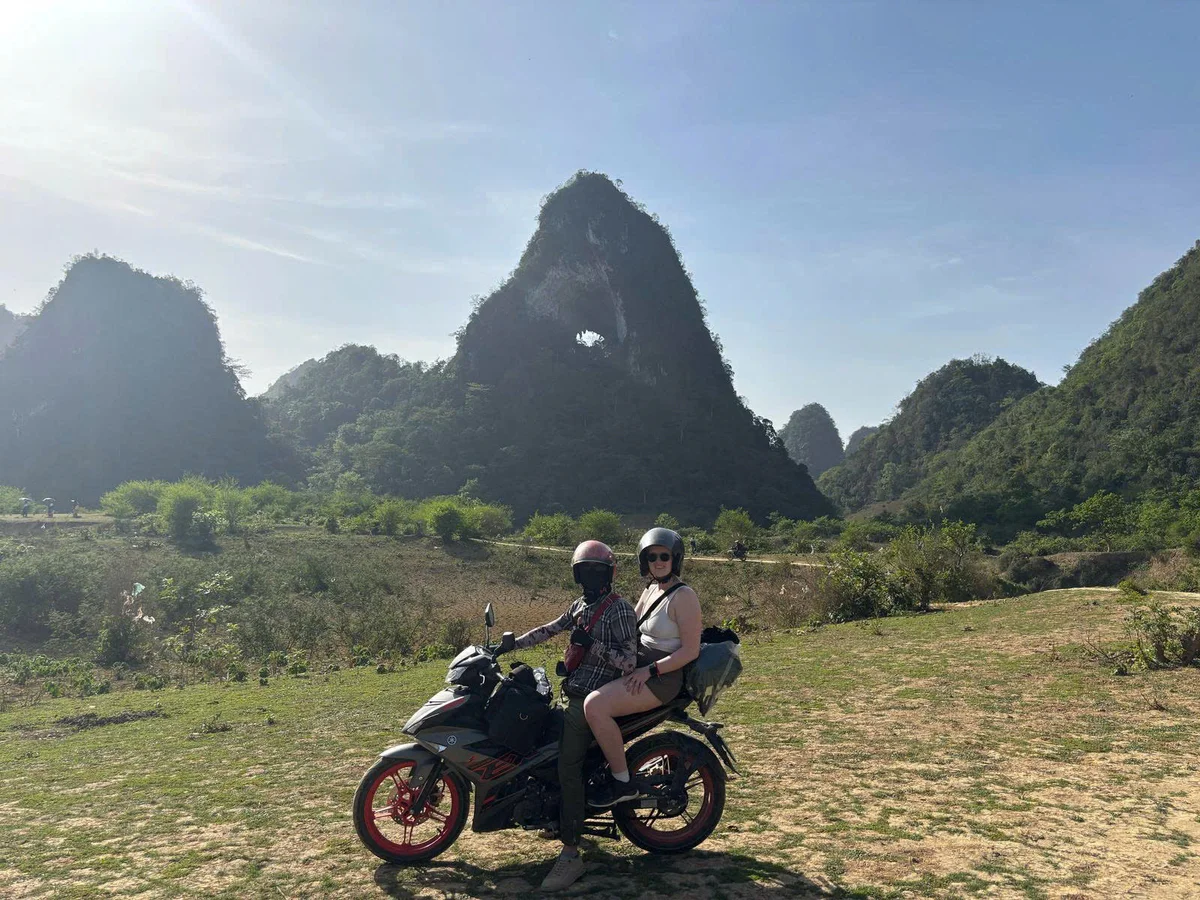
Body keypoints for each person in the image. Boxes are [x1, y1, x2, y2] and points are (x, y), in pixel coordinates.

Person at [509, 540, 637, 892]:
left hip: (593, 699)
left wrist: (592, 643)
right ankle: (557, 815)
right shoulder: (581, 605)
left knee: (568, 766)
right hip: (573, 691)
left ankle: (570, 853)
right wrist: (510, 644)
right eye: (585, 571)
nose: (590, 577)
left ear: (609, 574)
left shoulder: (619, 609)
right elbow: (550, 628)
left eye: (597, 571)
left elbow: (630, 661)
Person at [582, 527, 702, 808]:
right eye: (651, 557)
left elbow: (690, 650)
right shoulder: (650, 590)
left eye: (664, 556)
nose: (658, 562)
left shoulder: (684, 597)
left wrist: (649, 671)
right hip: (637, 665)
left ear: (676, 559)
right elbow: (629, 628)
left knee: (594, 706)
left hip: (661, 677)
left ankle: (622, 783)